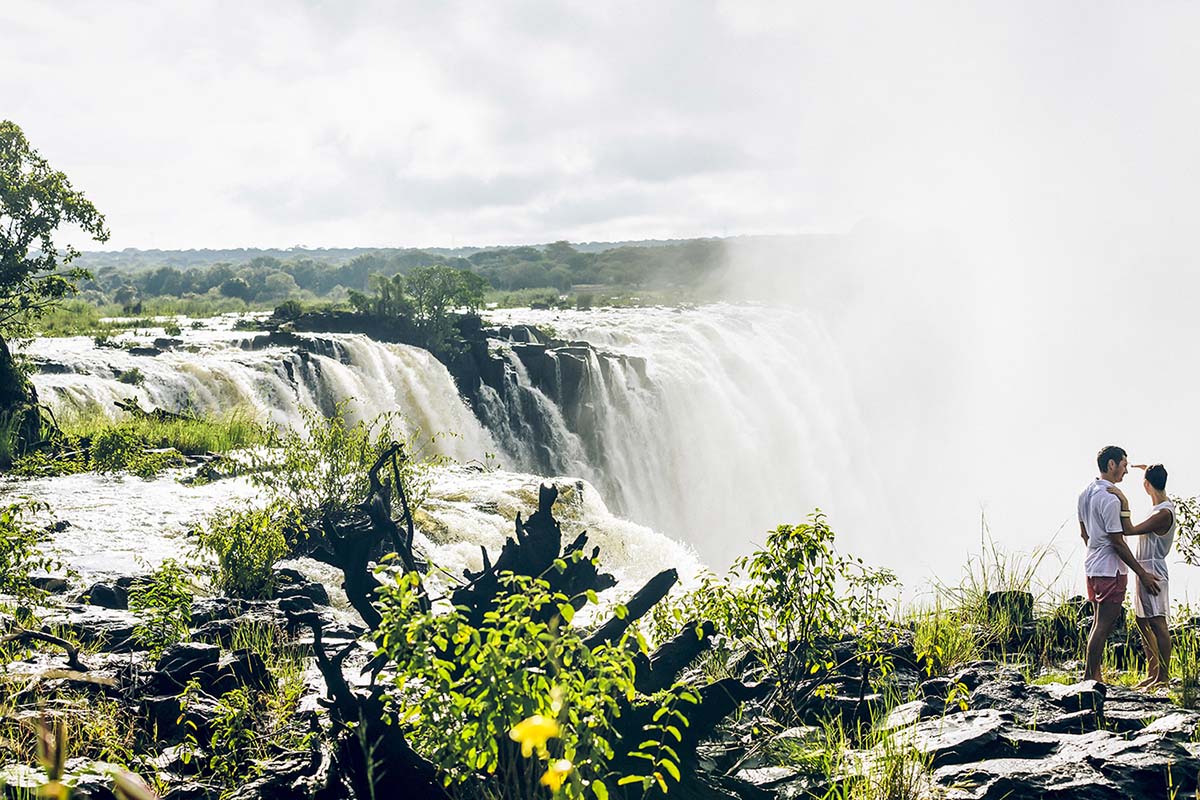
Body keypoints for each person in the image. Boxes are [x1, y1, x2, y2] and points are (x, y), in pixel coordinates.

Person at [1079, 445, 1161, 683]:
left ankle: (1094, 676)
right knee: (1104, 625)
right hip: (1110, 570)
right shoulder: (1111, 498)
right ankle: (1088, 678)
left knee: (1097, 623)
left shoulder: (1085, 492)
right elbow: (1118, 542)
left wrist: (1096, 553)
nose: (1126, 471)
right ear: (1111, 464)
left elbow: (1084, 534)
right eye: (1124, 465)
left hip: (1092, 566)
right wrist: (1142, 574)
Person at [1107, 464, 1175, 689]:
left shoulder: (1164, 513)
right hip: (1144, 569)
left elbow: (1129, 529)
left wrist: (1124, 502)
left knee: (1158, 622)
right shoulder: (1159, 506)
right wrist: (1148, 468)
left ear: (1147, 485)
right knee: (1142, 620)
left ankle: (1163, 678)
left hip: (1153, 571)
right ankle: (1153, 671)